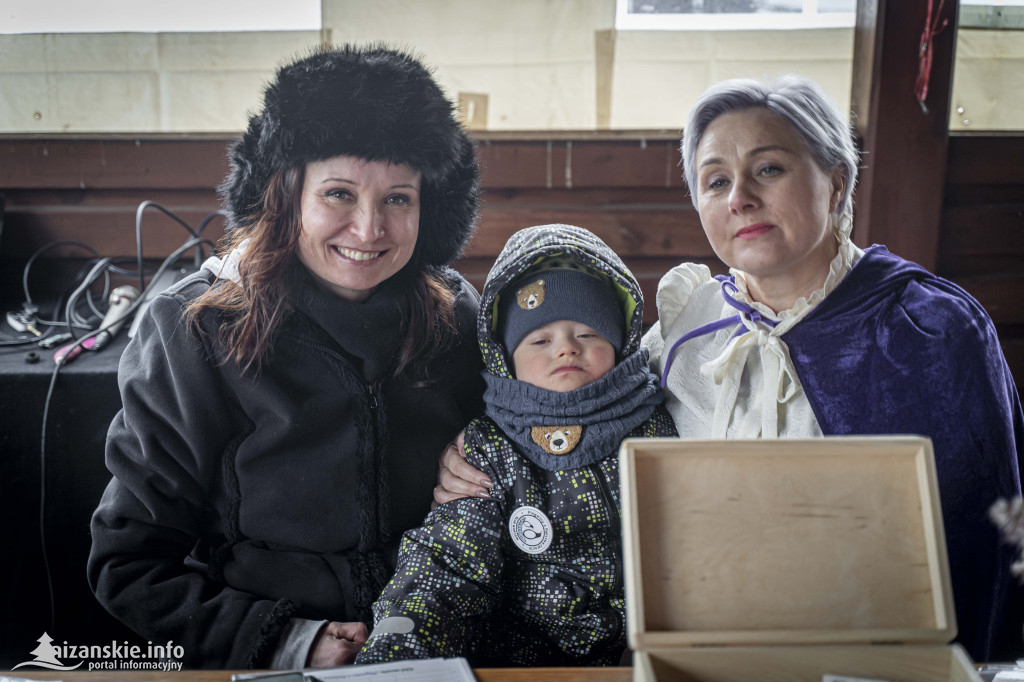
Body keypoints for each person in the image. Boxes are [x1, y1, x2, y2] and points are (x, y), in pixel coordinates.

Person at [437, 75, 1024, 663]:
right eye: (716, 180)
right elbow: (583, 416)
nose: (739, 196)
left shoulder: (926, 328)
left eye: (768, 169)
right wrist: (472, 454)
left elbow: (983, 535)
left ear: (836, 183)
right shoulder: (684, 329)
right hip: (701, 651)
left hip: (869, 655)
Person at [87, 44, 484, 670]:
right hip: (267, 656)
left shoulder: (456, 316)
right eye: (339, 194)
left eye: (398, 199)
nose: (369, 228)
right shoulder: (196, 331)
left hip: (440, 644)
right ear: (284, 196)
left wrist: (490, 469)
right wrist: (286, 639)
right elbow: (128, 566)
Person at [355, 224, 676, 666]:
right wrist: (401, 646)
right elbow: (448, 560)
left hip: (648, 651)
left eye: (587, 334)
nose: (565, 349)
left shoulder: (656, 424)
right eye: (540, 340)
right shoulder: (491, 447)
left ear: (621, 343)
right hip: (524, 660)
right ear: (504, 358)